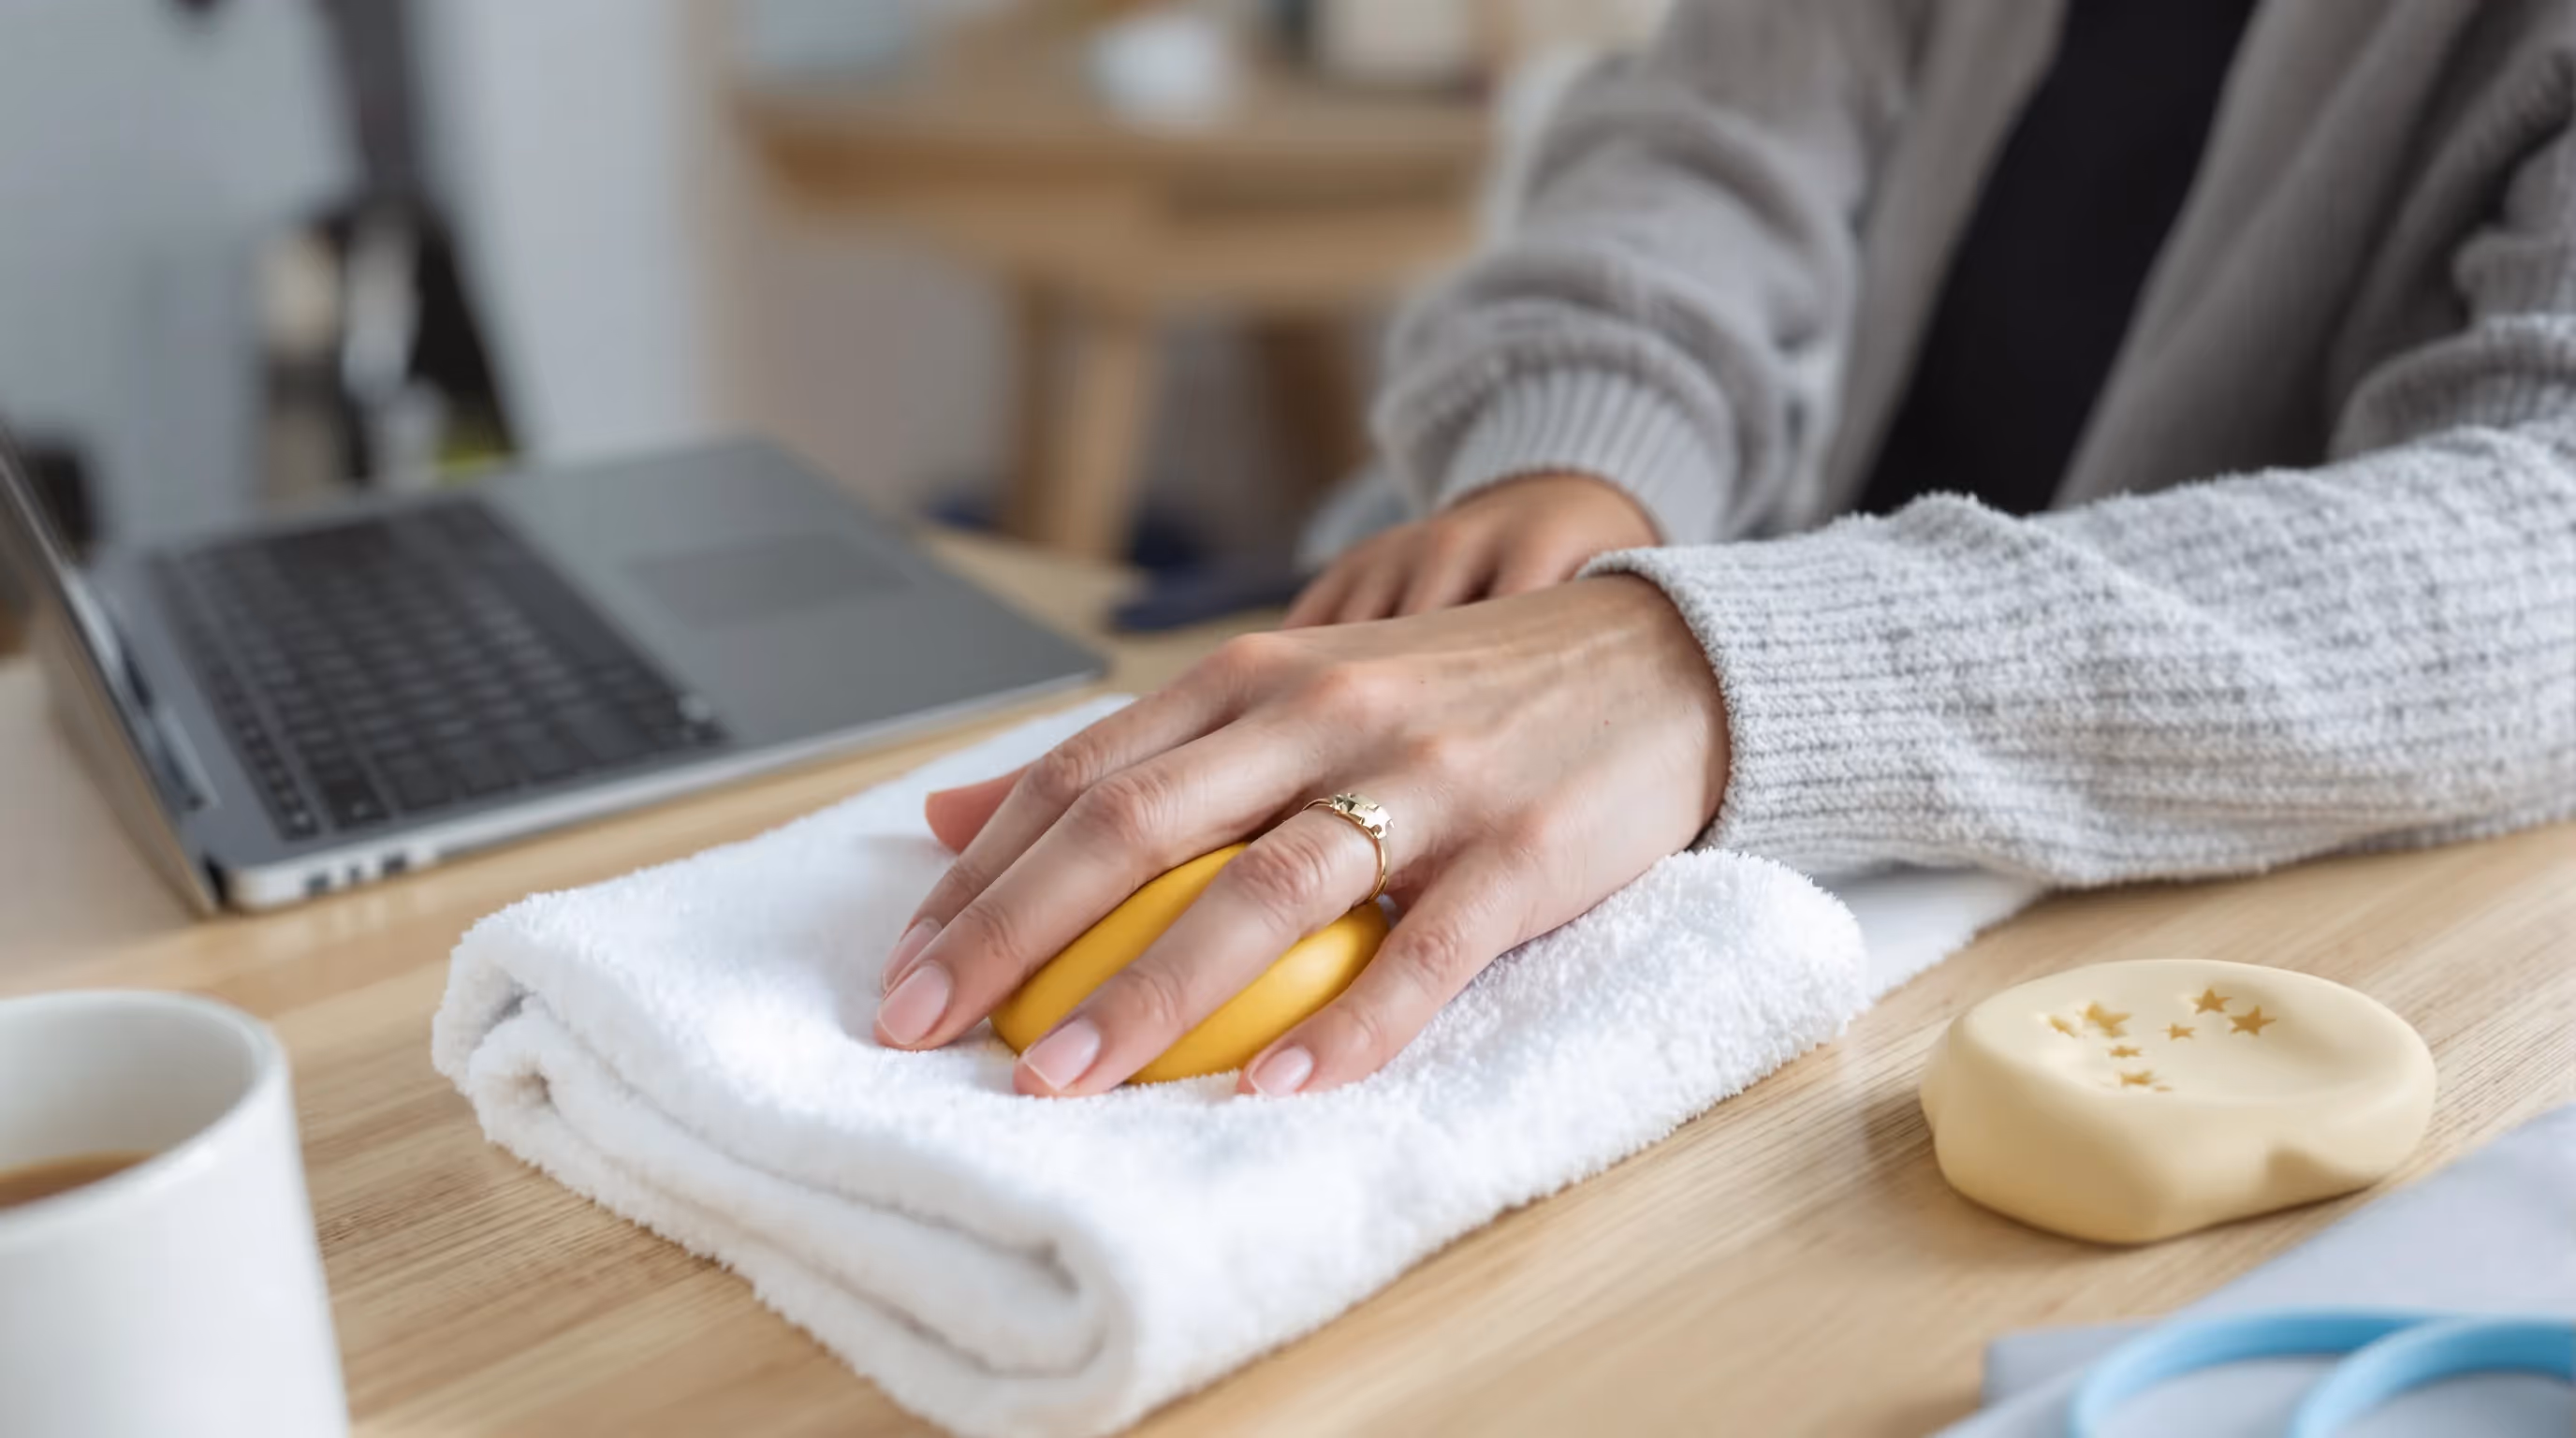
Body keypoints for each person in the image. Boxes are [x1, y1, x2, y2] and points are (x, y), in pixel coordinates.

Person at [874, 0, 2576, 1100]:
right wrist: (1582, 467)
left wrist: (1704, 663)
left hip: (2262, 964)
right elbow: (1700, 144)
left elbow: (2538, 527)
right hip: (1761, 838)